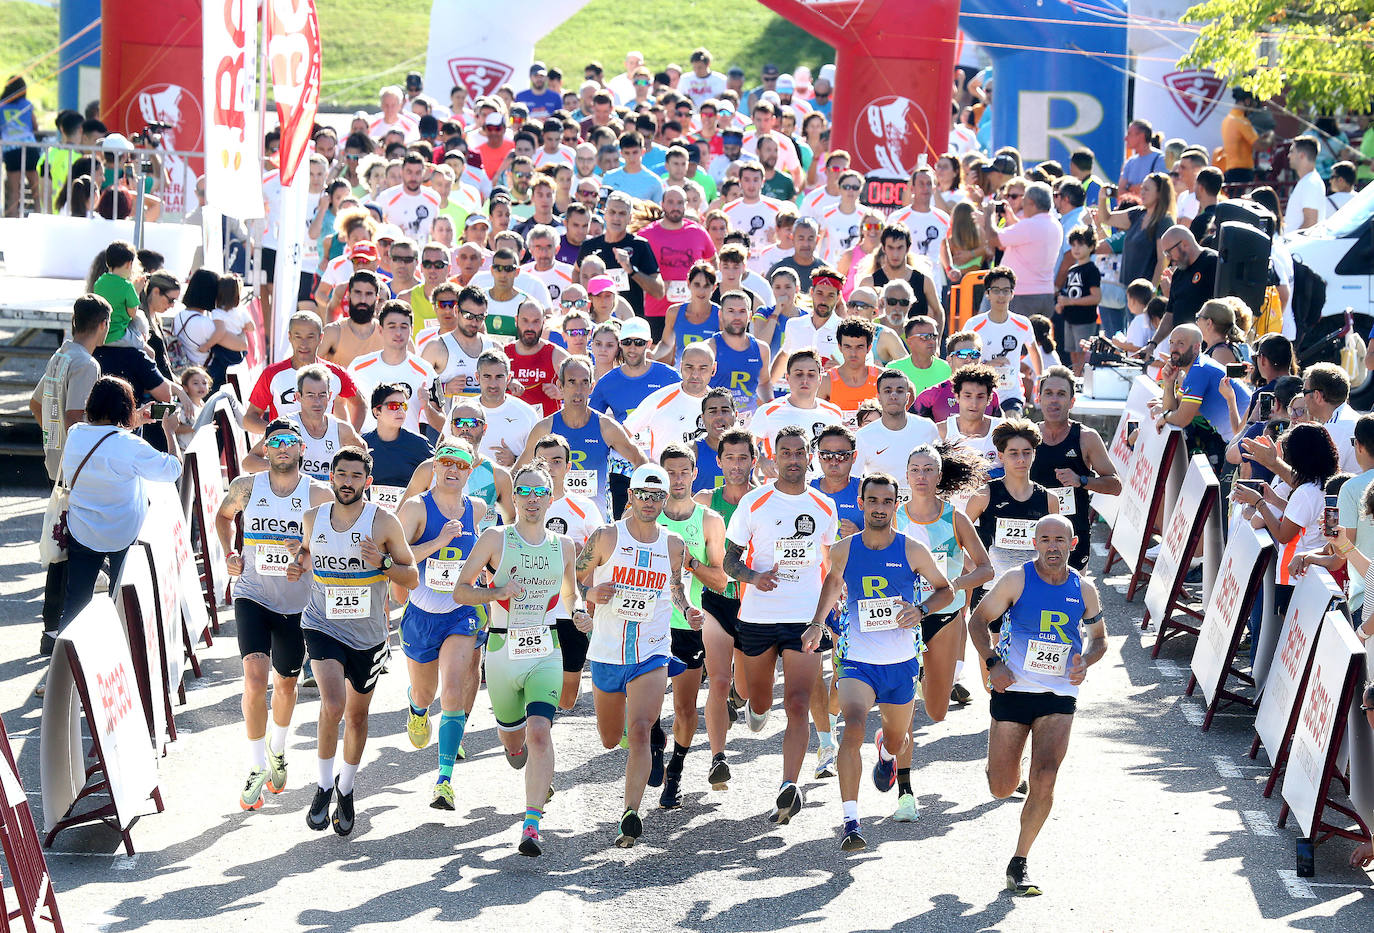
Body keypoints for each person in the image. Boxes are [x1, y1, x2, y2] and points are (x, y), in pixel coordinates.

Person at [452, 461, 588, 856]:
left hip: (545, 648)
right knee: (515, 745)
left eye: (539, 492)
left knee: (541, 732)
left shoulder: (562, 545)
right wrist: (497, 593)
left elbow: (569, 593)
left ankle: (531, 824)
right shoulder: (496, 538)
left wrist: (577, 610)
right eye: (524, 492)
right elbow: (461, 591)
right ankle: (520, 755)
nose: (531, 500)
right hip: (501, 650)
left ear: (551, 497)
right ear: (513, 497)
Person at [812, 471, 953, 849]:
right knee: (853, 723)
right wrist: (816, 624)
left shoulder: (911, 549)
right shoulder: (843, 549)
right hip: (858, 660)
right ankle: (851, 821)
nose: (879, 508)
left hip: (901, 661)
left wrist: (920, 610)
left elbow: (947, 591)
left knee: (898, 736)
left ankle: (887, 753)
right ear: (861, 503)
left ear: (896, 504)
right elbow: (831, 586)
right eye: (872, 501)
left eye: (887, 501)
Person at [969, 514, 1105, 896]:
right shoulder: (1016, 579)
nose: (1052, 546)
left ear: (1072, 544)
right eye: (1044, 539)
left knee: (1045, 775)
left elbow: (1099, 638)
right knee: (1002, 786)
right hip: (1014, 688)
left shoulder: (1085, 589)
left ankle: (1020, 860)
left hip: (1060, 693)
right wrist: (993, 663)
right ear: (1035, 543)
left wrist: (1087, 660)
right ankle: (1007, 767)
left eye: (1059, 540)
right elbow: (978, 622)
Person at [288, 446, 418, 836]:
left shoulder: (383, 522)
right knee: (333, 703)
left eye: (355, 476)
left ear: (368, 481)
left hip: (369, 635)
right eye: (341, 475)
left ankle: (346, 788)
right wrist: (298, 564)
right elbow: (307, 554)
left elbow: (410, 576)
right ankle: (324, 785)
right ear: (331, 477)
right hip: (322, 623)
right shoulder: (313, 518)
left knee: (357, 717)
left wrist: (381, 563)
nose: (347, 482)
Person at [723, 426, 839, 824]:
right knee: (758, 701)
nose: (793, 458)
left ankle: (789, 786)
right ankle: (754, 709)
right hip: (757, 616)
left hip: (803, 619)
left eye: (799, 452)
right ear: (773, 458)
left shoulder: (824, 506)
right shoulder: (755, 503)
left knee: (798, 703)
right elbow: (729, 561)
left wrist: (822, 619)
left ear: (809, 456)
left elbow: (831, 568)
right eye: (785, 452)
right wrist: (753, 578)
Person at [578, 463, 699, 846]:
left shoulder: (673, 544)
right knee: (611, 738)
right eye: (642, 495)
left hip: (652, 650)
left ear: (667, 499)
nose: (649, 503)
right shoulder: (605, 536)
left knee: (642, 729)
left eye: (657, 496)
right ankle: (638, 743)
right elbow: (576, 577)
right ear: (629, 496)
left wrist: (688, 610)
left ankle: (630, 813)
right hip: (607, 651)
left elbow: (676, 588)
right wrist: (590, 596)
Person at [216, 419, 333, 810]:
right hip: (252, 594)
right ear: (265, 449)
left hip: (298, 604)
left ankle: (277, 750)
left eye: (290, 441)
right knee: (253, 677)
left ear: (302, 448)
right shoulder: (246, 487)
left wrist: (304, 555)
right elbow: (222, 516)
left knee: (285, 685)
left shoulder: (318, 493)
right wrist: (230, 553)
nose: (282, 447)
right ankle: (255, 767)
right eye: (275, 441)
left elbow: (331, 544)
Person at [56, 376, 183, 642]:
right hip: (124, 531)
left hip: (82, 528)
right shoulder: (130, 446)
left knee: (76, 599)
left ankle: (65, 667)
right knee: (122, 601)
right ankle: (120, 656)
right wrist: (169, 431)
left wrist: (133, 421)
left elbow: (106, 438)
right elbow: (172, 470)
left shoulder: (76, 434)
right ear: (126, 408)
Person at [396, 439, 487, 809]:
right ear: (435, 465)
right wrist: (438, 541)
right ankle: (417, 711)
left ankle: (444, 780)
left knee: (453, 687)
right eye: (446, 462)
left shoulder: (477, 509)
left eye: (461, 465)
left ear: (470, 470)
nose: (453, 470)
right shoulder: (417, 508)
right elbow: (397, 560)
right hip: (420, 614)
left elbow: (487, 551)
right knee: (425, 693)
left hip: (459, 613)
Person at [654, 444, 730, 808]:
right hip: (646, 621)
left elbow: (720, 580)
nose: (678, 479)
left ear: (695, 473)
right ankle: (653, 741)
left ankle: (677, 771)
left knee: (684, 708)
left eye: (684, 471)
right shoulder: (644, 513)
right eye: (671, 472)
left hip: (688, 623)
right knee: (646, 705)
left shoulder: (710, 521)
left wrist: (690, 564)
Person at [31, 295, 108, 655]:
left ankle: (53, 628)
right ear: (103, 325)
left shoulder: (61, 355)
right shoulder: (86, 363)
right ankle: (58, 628)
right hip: (74, 469)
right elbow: (77, 415)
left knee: (62, 547)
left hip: (56, 462)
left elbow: (37, 404)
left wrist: (52, 440)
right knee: (71, 550)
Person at [1029, 368, 1122, 570]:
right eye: (1048, 393)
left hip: (1072, 536)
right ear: (1039, 398)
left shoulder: (1086, 438)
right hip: (1032, 534)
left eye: (1061, 394)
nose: (1054, 400)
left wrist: (1082, 480)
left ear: (1072, 401)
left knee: (1072, 597)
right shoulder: (1027, 436)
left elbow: (1115, 485)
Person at [966, 420, 1059, 580]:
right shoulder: (983, 496)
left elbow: (1056, 546)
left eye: (1026, 452)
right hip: (990, 590)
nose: (1021, 459)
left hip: (1031, 587)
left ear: (1034, 454)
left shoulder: (1050, 499)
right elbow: (958, 538)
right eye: (1014, 453)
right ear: (1001, 456)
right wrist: (976, 568)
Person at [245, 311, 365, 432]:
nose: (303, 344)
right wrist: (277, 433)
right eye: (298, 337)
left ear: (320, 338)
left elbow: (360, 404)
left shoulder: (336, 373)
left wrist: (350, 438)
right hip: (285, 449)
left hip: (325, 449)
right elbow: (249, 418)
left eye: (310, 337)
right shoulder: (272, 374)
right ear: (290, 337)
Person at [244, 365, 366, 480]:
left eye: (322, 395)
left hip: (328, 500)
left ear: (329, 396)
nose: (317, 402)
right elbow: (248, 462)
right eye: (310, 395)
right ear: (298, 397)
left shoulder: (341, 429)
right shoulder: (285, 427)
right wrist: (278, 467)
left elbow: (364, 457)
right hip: (294, 499)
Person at [751, 349, 845, 477]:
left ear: (820, 379)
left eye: (811, 374)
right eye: (799, 374)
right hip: (779, 490)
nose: (805, 380)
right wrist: (762, 461)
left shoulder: (834, 414)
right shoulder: (768, 411)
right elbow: (745, 446)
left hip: (820, 491)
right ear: (788, 378)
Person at [577, 191, 665, 324]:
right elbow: (576, 273)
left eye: (622, 213)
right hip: (593, 324)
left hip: (629, 325)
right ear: (605, 214)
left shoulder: (639, 245)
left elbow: (659, 291)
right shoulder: (589, 246)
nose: (616, 218)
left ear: (629, 218)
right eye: (612, 212)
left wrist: (631, 270)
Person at [967, 266, 1042, 415]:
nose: (1001, 295)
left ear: (1012, 294)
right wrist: (988, 364)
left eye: (1006, 290)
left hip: (1011, 393)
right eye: (996, 290)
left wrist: (1040, 379)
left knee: (1012, 427)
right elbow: (962, 358)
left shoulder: (1023, 323)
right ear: (988, 294)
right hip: (980, 392)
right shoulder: (973, 325)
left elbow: (1034, 351)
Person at [980, 182, 1060, 320]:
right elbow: (1027, 239)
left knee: (1016, 339)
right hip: (1045, 293)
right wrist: (1013, 220)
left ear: (1031, 202)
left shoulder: (1029, 225)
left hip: (1023, 295)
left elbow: (993, 240)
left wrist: (988, 215)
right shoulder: (1054, 224)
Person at [854, 370, 939, 482]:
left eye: (899, 391)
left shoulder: (928, 428)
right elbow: (855, 478)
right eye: (888, 391)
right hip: (881, 498)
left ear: (907, 397)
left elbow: (938, 471)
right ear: (878, 397)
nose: (893, 396)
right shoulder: (863, 436)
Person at [362, 383, 434, 509]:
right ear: (376, 412)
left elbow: (439, 472)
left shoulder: (419, 444)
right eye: (393, 406)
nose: (400, 411)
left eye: (403, 406)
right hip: (369, 515)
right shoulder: (362, 444)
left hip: (408, 516)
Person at [1098, 171, 1174, 288]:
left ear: (1159, 193)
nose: (1142, 192)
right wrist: (1102, 198)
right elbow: (1106, 218)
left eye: (1147, 189)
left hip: (1143, 291)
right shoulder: (1137, 214)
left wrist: (1152, 290)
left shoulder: (1164, 220)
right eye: (1142, 188)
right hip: (1127, 288)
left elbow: (1162, 261)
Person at [706, 290, 771, 416]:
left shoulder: (761, 349)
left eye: (742, 311)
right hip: (715, 421)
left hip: (748, 422)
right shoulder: (708, 348)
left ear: (750, 315)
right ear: (720, 314)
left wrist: (770, 405)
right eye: (731, 311)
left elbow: (764, 383)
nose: (736, 316)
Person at [1056, 226, 1101, 374]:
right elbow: (1071, 293)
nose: (1076, 249)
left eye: (1080, 244)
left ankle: (1082, 379)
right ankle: (1076, 379)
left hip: (1085, 320)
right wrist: (1061, 304)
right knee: (1072, 353)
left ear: (1091, 246)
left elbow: (1096, 297)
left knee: (1083, 353)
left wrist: (1070, 301)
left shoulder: (1092, 269)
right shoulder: (1072, 269)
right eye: (1073, 245)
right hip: (1070, 318)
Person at [884, 315, 952, 396]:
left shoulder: (948, 369)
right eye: (925, 337)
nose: (932, 341)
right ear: (909, 341)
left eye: (934, 336)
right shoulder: (893, 368)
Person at [1119, 119, 1166, 193]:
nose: (1126, 138)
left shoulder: (1160, 159)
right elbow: (1121, 190)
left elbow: (1160, 187)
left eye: (1129, 134)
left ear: (1141, 136)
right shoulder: (1130, 162)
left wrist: (1129, 187)